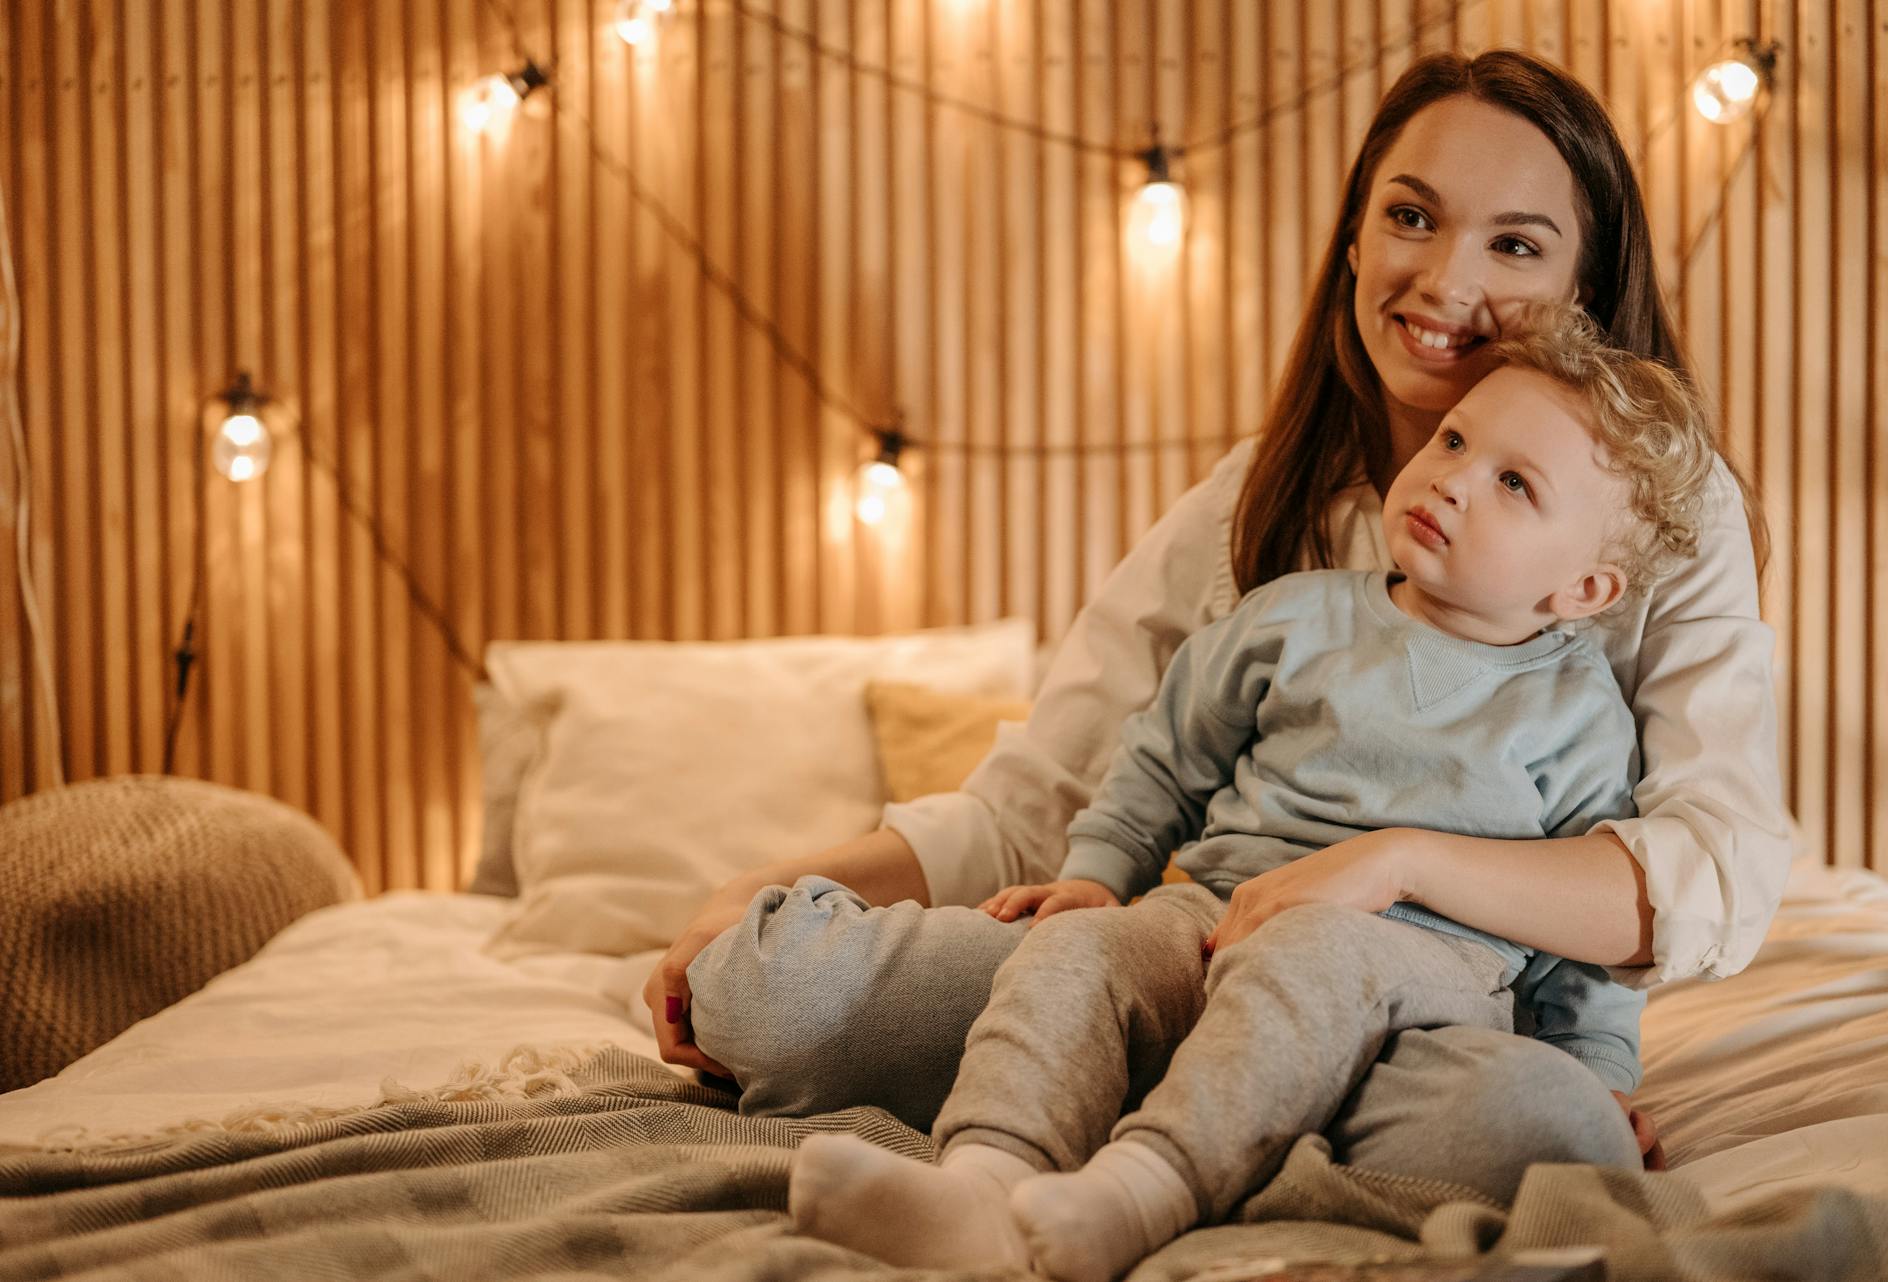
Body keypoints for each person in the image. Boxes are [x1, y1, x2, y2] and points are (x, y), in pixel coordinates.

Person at [644, 48, 1790, 1198]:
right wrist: (753, 890)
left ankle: (1155, 1114)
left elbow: (1708, 867)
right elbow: (1048, 797)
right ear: (1354, 239)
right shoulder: (1267, 496)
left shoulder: (1661, 528)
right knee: (772, 982)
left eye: (1516, 244)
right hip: (1183, 952)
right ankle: (1163, 1106)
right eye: (1411, 216)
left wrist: (1396, 869)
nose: (1446, 278)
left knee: (1540, 1129)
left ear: (1584, 294)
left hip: (1421, 1012)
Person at [783, 309, 1716, 1278]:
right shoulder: (1291, 619)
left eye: (1514, 483)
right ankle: (985, 1184)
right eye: (1453, 439)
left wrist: (1601, 1078)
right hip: (1220, 916)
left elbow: (1584, 951)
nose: (1452, 476)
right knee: (1079, 948)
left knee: (1524, 1101)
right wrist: (1099, 876)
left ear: (1586, 589)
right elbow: (1161, 758)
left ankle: (1145, 1189)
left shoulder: (1578, 717)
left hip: (1423, 981)